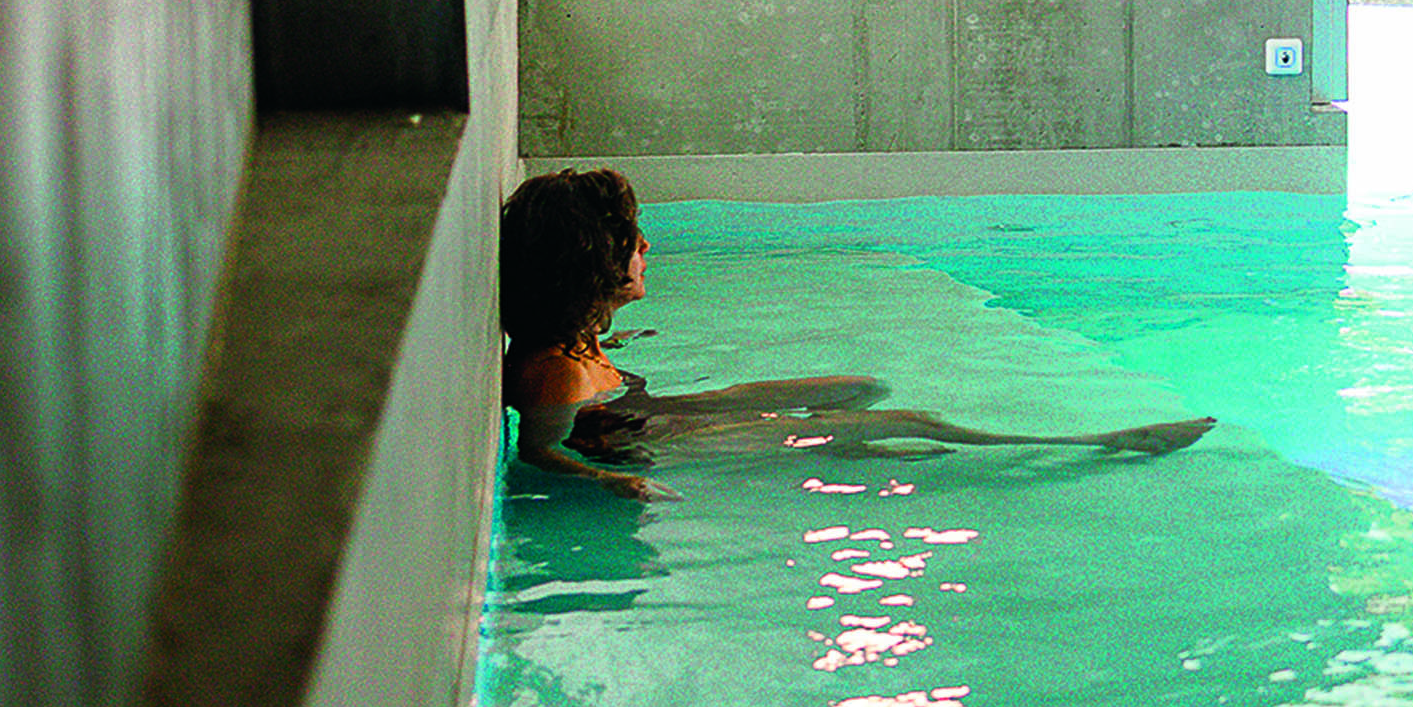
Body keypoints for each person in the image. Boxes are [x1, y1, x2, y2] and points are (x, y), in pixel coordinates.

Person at [499, 167, 1215, 500]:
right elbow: (538, 455)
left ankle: (858, 436)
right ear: (593, 262)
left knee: (857, 388)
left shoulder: (579, 345)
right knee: (892, 419)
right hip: (656, 442)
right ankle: (1092, 446)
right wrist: (613, 483)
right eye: (632, 240)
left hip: (645, 415)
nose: (647, 248)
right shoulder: (558, 372)